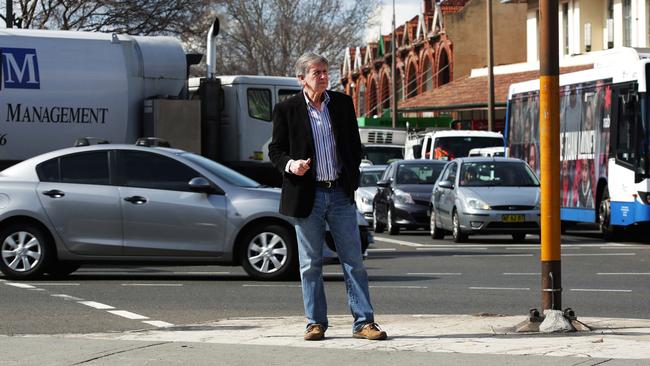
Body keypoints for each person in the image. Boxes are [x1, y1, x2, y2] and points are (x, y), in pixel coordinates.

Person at [268, 52, 387, 341]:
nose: (322, 77)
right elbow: (275, 150)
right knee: (310, 263)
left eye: (324, 71)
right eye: (316, 73)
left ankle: (363, 323)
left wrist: (352, 176)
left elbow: (353, 147)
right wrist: (291, 165)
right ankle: (315, 322)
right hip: (307, 194)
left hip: (339, 194)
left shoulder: (343, 104)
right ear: (301, 79)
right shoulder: (287, 109)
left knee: (353, 260)